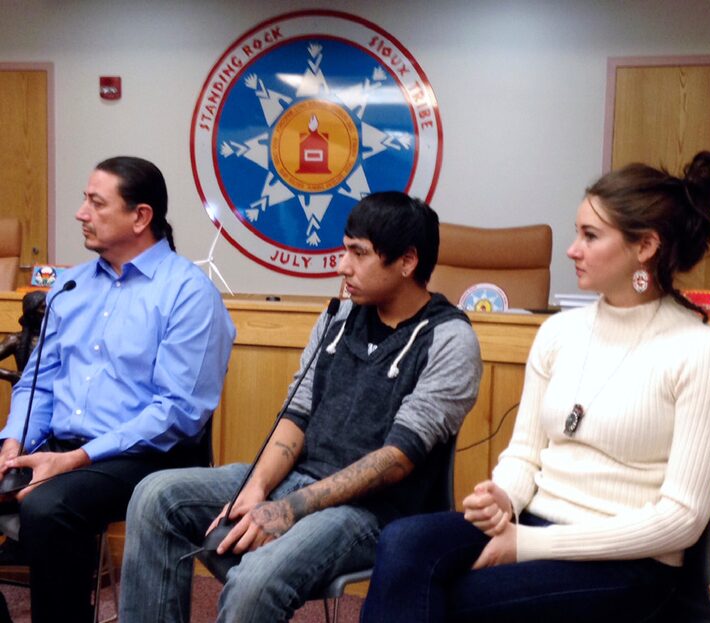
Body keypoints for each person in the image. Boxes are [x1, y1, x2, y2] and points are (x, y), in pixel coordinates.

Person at [361, 151, 710, 623]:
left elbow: (681, 521)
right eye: (576, 232)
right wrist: (502, 498)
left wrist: (529, 544)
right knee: (402, 543)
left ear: (645, 247)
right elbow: (524, 455)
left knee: (457, 598)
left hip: (629, 562)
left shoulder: (702, 353)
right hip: (533, 521)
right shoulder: (559, 333)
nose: (571, 249)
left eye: (590, 236)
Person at [118, 191, 483, 622]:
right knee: (155, 496)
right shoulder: (338, 318)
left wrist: (291, 508)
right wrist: (256, 487)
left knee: (256, 581)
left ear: (407, 261)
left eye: (358, 254)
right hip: (297, 479)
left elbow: (396, 460)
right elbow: (297, 415)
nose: (342, 266)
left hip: (374, 511)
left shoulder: (449, 340)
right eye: (344, 249)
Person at [0, 156, 236, 623]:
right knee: (39, 491)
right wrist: (14, 442)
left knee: (49, 508)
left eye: (95, 202)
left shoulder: (187, 293)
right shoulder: (72, 284)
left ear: (140, 216)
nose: (80, 213)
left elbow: (176, 413)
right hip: (59, 446)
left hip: (146, 455)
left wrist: (73, 460)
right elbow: (39, 381)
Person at [0, 290, 46, 386]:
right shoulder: (16, 339)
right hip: (26, 390)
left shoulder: (56, 338)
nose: (47, 312)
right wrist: (11, 375)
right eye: (43, 308)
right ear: (31, 313)